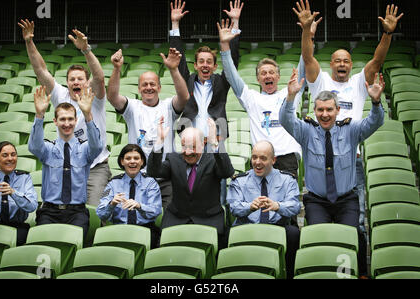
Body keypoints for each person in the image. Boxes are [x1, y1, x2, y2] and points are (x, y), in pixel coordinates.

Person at [293, 0, 403, 277]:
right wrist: (307, 31)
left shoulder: (358, 82)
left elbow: (377, 60)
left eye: (346, 61)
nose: (341, 64)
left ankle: (358, 272)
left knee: (356, 226)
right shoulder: (321, 82)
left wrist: (387, 34)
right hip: (319, 160)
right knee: (318, 229)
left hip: (350, 162)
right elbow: (307, 59)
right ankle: (319, 269)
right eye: (337, 60)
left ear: (351, 65)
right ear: (331, 64)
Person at [279, 68, 385, 277]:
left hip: (347, 199)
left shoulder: (351, 130)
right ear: (315, 111)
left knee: (353, 235)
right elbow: (286, 120)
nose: (324, 114)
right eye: (320, 110)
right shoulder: (306, 131)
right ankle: (323, 272)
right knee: (320, 238)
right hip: (317, 200)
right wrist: (290, 97)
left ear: (337, 110)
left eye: (329, 110)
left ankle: (356, 273)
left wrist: (375, 102)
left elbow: (375, 122)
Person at [18, 19, 111, 207]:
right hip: (68, 164)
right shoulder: (60, 94)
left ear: (86, 82)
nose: (76, 82)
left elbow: (99, 77)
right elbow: (40, 70)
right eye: (72, 79)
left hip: (95, 167)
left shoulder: (94, 96)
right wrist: (29, 41)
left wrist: (86, 50)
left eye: (80, 79)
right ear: (67, 82)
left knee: (93, 211)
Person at [218, 18, 305, 178]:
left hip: (287, 157)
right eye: (263, 73)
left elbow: (305, 63)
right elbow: (231, 75)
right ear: (258, 79)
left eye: (271, 72)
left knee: (286, 203)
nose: (267, 76)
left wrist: (307, 34)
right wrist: (224, 46)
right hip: (261, 159)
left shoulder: (291, 92)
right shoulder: (252, 98)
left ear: (278, 76)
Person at [107, 47, 189, 209]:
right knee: (140, 216)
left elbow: (184, 97)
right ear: (139, 89)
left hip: (165, 177)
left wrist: (173, 69)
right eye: (144, 84)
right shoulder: (132, 107)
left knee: (167, 218)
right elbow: (112, 97)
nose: (148, 87)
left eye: (153, 84)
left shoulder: (168, 106)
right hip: (139, 177)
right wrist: (117, 69)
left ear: (159, 87)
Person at [147, 117, 235, 249]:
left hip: (208, 219)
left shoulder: (213, 160)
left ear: (203, 143)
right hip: (177, 218)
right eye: (184, 146)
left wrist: (215, 144)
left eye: (192, 147)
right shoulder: (173, 159)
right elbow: (153, 171)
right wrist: (159, 142)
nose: (187, 152)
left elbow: (227, 172)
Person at [28, 86, 103, 238]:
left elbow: (97, 146)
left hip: (77, 213)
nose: (67, 123)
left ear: (76, 121)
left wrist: (88, 114)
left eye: (70, 119)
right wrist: (39, 115)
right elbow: (34, 146)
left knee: (73, 245)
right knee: (44, 246)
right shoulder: (48, 149)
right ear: (55, 121)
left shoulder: (85, 149)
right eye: (62, 119)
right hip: (49, 212)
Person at [169, 0, 243, 139]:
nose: (205, 65)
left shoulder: (221, 82)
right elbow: (178, 59)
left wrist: (235, 22)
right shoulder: (187, 81)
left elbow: (232, 60)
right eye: (201, 61)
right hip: (190, 143)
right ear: (195, 66)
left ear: (215, 66)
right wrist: (175, 24)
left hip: (215, 141)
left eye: (209, 62)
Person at [227, 140, 301, 279]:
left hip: (276, 227)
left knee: (293, 233)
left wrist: (278, 206)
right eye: (254, 157)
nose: (257, 162)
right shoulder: (240, 180)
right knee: (228, 234)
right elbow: (233, 207)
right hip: (248, 226)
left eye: (263, 158)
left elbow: (295, 206)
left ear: (273, 160)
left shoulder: (287, 179)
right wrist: (249, 207)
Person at [96, 144, 162, 249]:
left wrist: (139, 206)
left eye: (136, 158)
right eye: (128, 158)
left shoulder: (150, 183)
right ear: (122, 161)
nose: (132, 161)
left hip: (145, 230)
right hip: (119, 230)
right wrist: (111, 204)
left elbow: (156, 210)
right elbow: (100, 213)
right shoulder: (112, 183)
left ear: (142, 161)